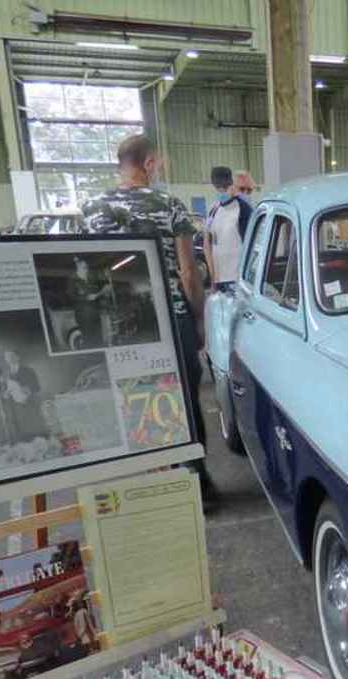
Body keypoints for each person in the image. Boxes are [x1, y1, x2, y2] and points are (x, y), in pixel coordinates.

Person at [81, 134, 214, 502]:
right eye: (160, 163)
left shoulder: (91, 210)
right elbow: (188, 271)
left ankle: (151, 491)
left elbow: (88, 272)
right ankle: (196, 483)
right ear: (149, 163)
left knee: (136, 401)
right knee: (183, 399)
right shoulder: (168, 205)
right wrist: (198, 318)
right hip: (170, 320)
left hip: (120, 328)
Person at [204, 165, 253, 291]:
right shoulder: (213, 209)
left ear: (231, 184)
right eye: (219, 187)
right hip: (219, 277)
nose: (222, 190)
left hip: (237, 278)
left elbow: (251, 245)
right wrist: (212, 277)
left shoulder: (243, 208)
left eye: (224, 187)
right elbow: (207, 244)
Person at [0, 349, 44, 441]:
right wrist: (5, 394)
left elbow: (37, 387)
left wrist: (29, 390)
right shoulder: (4, 374)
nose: (9, 358)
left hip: (30, 404)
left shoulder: (28, 370)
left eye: (12, 356)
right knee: (21, 431)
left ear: (18, 357)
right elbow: (4, 392)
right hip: (15, 407)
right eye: (7, 357)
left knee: (35, 427)